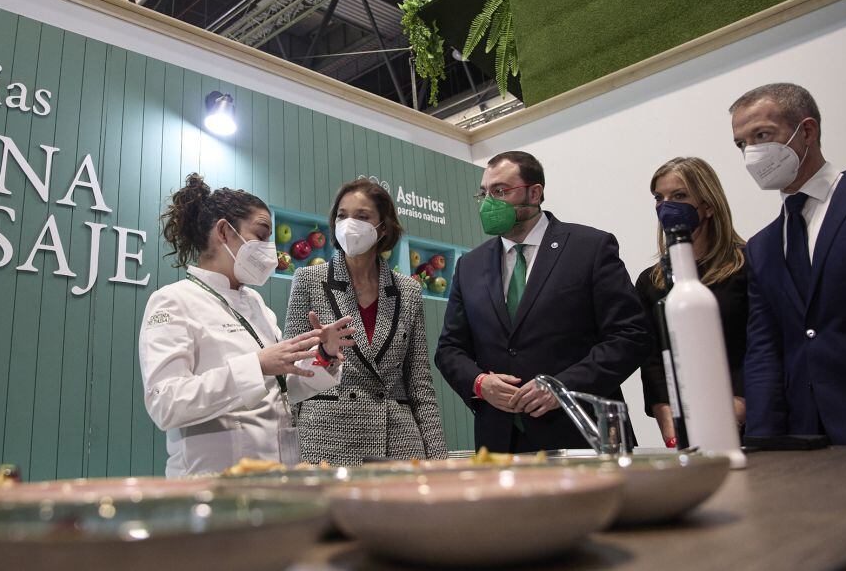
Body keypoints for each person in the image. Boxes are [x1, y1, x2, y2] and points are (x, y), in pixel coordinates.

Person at [138, 174, 355, 477]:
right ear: (224, 231)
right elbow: (166, 404)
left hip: (274, 476)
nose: (270, 249)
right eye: (261, 235)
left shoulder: (256, 305)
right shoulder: (172, 301)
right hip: (211, 482)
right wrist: (256, 365)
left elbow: (282, 388)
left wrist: (324, 356)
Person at [435, 151, 650, 452]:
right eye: (483, 193)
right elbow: (449, 349)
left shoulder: (589, 248)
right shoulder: (470, 265)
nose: (488, 203)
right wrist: (480, 383)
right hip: (500, 442)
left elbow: (631, 337)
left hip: (580, 436)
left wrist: (561, 388)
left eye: (500, 191)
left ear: (534, 193)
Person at [729, 83, 846, 444]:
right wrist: (763, 442)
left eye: (762, 135)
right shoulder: (762, 247)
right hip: (806, 440)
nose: (751, 154)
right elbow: (764, 349)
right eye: (742, 144)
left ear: (807, 131)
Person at [284, 178, 447, 465]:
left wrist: (438, 460)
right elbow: (290, 373)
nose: (349, 224)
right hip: (326, 440)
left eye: (362, 216)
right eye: (342, 215)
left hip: (398, 439)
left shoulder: (408, 290)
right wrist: (324, 355)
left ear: (382, 227)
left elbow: (420, 382)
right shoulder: (308, 280)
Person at [635, 157, 748, 446]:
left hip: (748, 413)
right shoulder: (652, 282)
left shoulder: (747, 265)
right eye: (659, 197)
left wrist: (739, 406)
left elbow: (763, 342)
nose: (666, 205)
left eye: (680, 196)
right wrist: (666, 416)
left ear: (708, 205)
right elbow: (651, 360)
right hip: (685, 422)